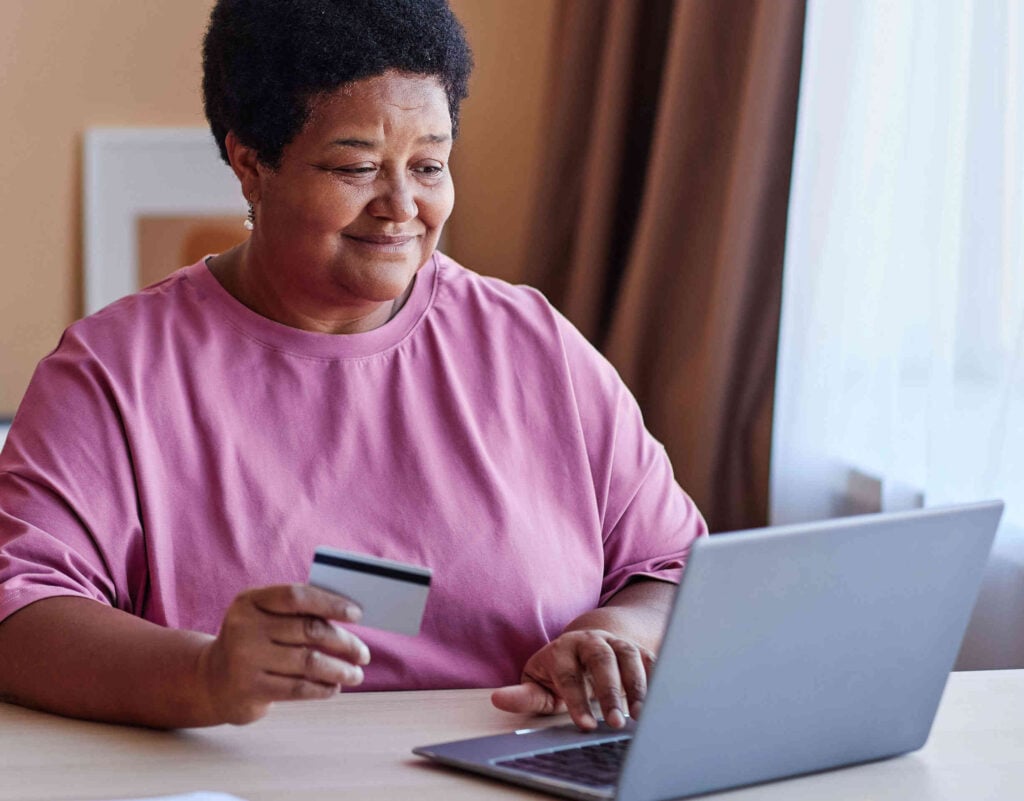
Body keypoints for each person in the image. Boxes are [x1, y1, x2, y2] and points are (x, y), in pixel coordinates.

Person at [0, 0, 705, 731]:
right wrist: (203, 676)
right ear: (251, 165)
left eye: (430, 164)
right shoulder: (115, 371)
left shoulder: (533, 345)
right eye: (356, 166)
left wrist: (618, 637)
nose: (402, 206)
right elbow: (19, 613)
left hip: (519, 770)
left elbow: (672, 568)